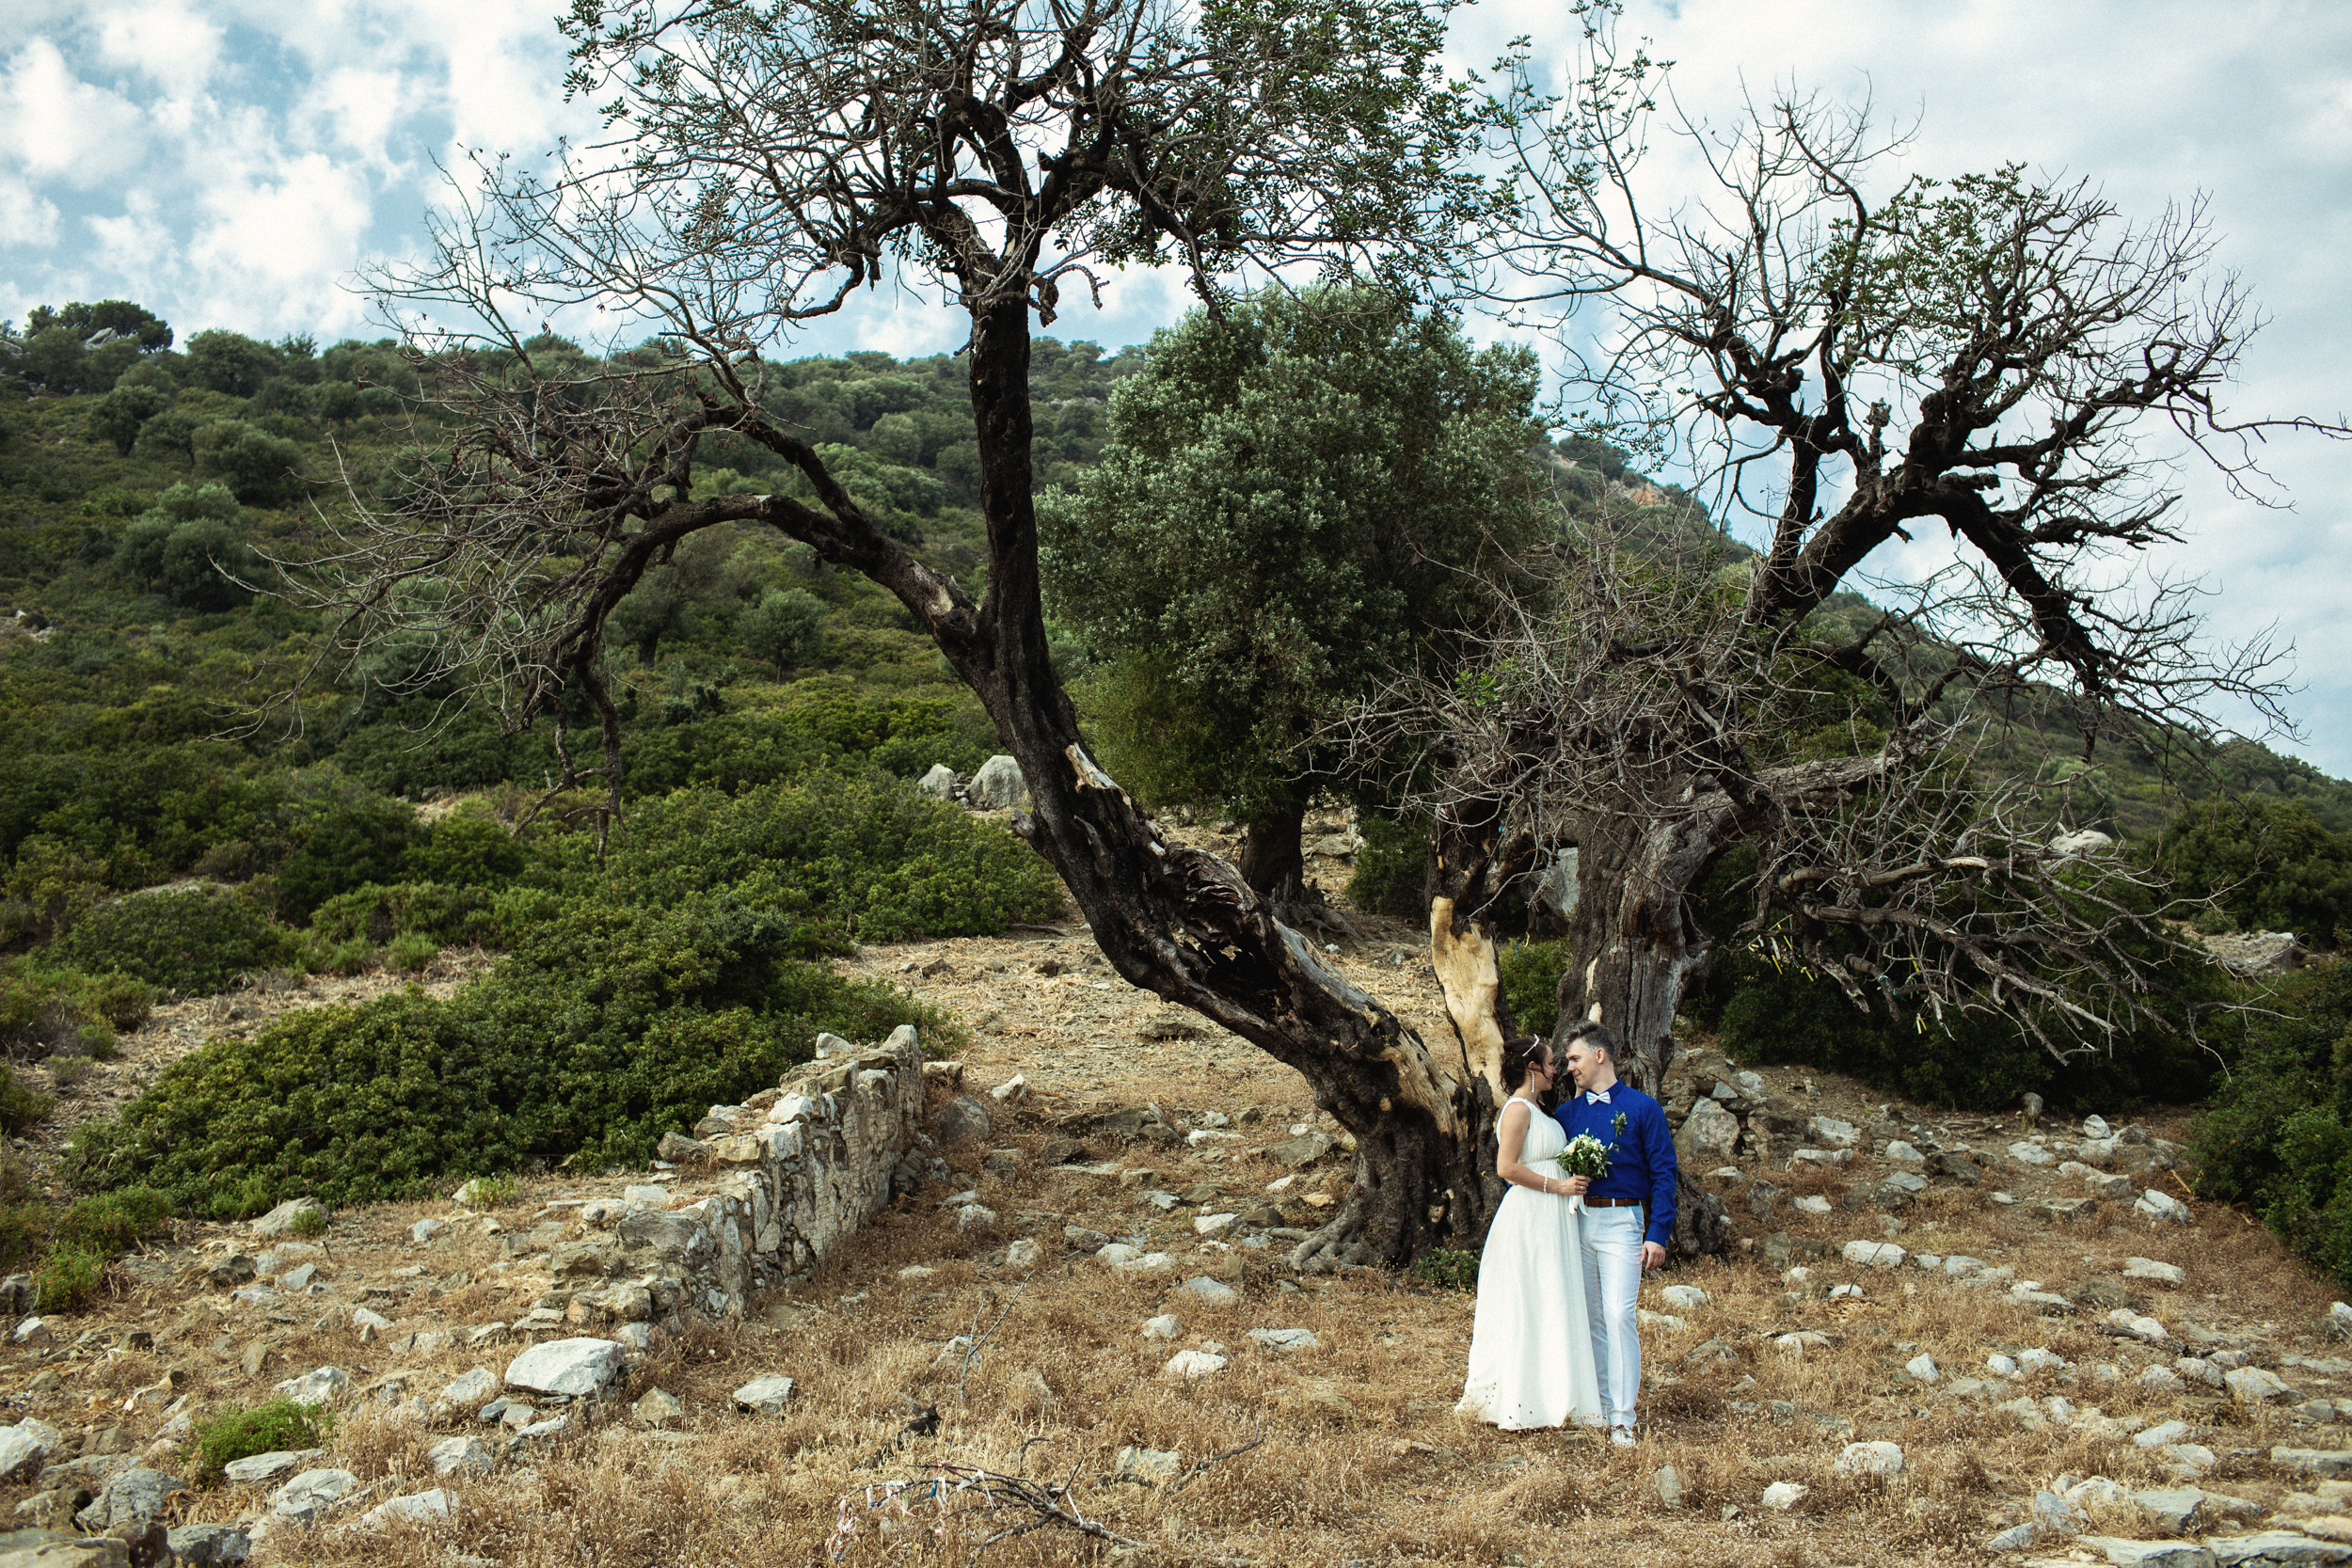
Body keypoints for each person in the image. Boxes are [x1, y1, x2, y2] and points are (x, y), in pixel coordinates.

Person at [1455, 1036, 1604, 1431]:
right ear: (1533, 1068)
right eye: (1552, 1062)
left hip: (1553, 1217)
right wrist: (1557, 1186)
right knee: (1531, 1296)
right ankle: (1523, 1399)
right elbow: (1506, 1168)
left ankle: (1555, 1392)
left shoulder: (1542, 1111)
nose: (1558, 1069)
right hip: (1531, 1215)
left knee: (1553, 1295)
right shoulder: (1518, 1109)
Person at [1555, 1020, 1677, 1448]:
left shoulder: (1644, 1109)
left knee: (1620, 1315)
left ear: (1599, 1055)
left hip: (1624, 1223)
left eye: (1574, 1058)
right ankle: (1602, 1406)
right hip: (1578, 1221)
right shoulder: (1567, 1114)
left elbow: (1664, 1173)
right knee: (1591, 1318)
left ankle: (1624, 1418)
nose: (1569, 1067)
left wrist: (1658, 1232)